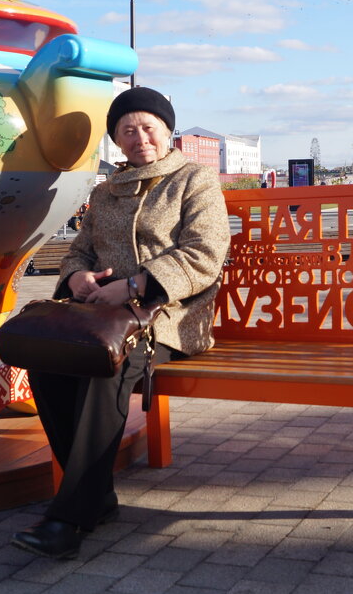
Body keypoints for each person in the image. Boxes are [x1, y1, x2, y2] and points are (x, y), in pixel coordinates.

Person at [12, 86, 231, 560]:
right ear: (116, 139)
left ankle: (71, 517)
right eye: (126, 130)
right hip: (102, 316)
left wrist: (135, 287)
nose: (139, 137)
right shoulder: (104, 191)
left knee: (102, 368)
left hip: (170, 317)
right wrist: (78, 277)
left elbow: (205, 253)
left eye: (148, 127)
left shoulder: (194, 179)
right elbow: (78, 251)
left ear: (167, 130)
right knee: (48, 364)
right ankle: (95, 497)